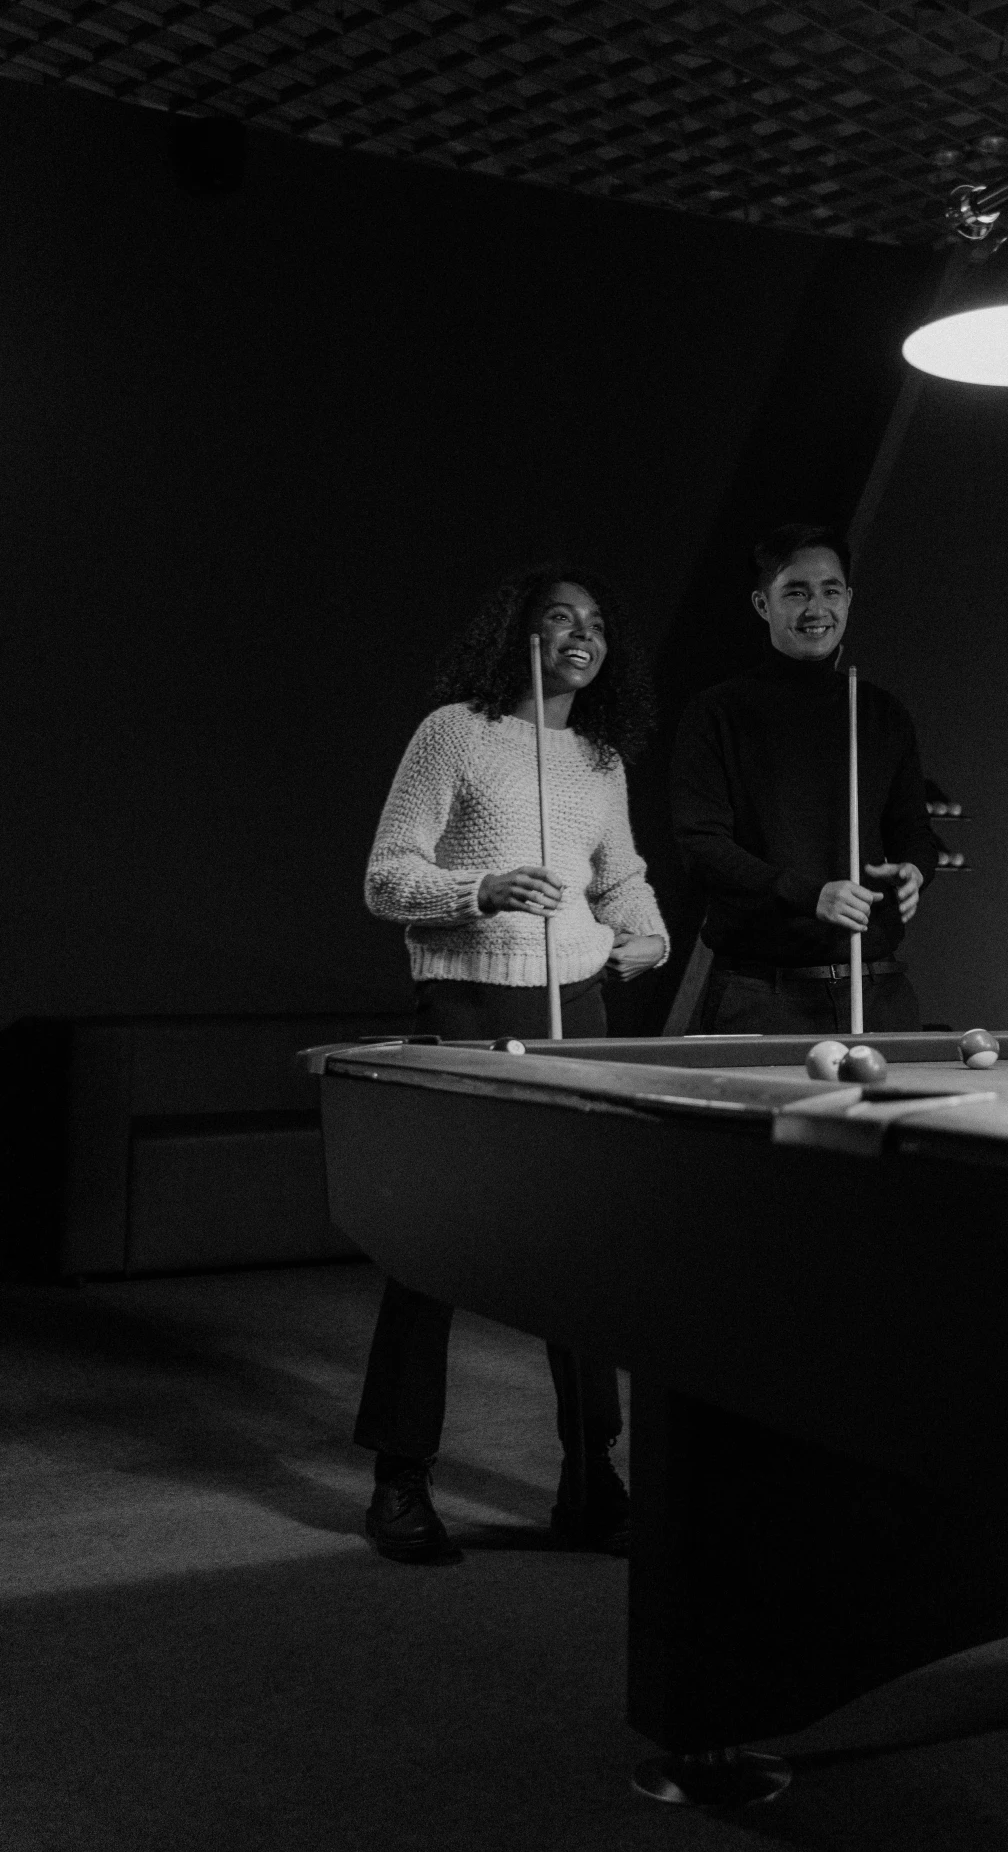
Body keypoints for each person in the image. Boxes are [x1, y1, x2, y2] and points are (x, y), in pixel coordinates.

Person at [355, 565, 668, 1561]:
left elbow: (621, 879)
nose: (582, 632)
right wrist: (482, 887)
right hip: (467, 1002)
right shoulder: (455, 731)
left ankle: (591, 1479)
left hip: (577, 1006)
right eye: (559, 617)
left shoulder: (601, 758)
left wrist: (646, 934)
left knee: (585, 1248)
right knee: (435, 1242)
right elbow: (386, 876)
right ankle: (399, 1478)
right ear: (518, 636)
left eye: (596, 621)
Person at [671, 523, 938, 1037]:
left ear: (849, 599)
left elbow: (914, 831)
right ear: (761, 603)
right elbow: (701, 845)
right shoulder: (718, 712)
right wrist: (806, 893)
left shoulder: (880, 712)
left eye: (830, 591)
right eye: (796, 592)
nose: (817, 609)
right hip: (759, 996)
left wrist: (916, 869)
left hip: (878, 991)